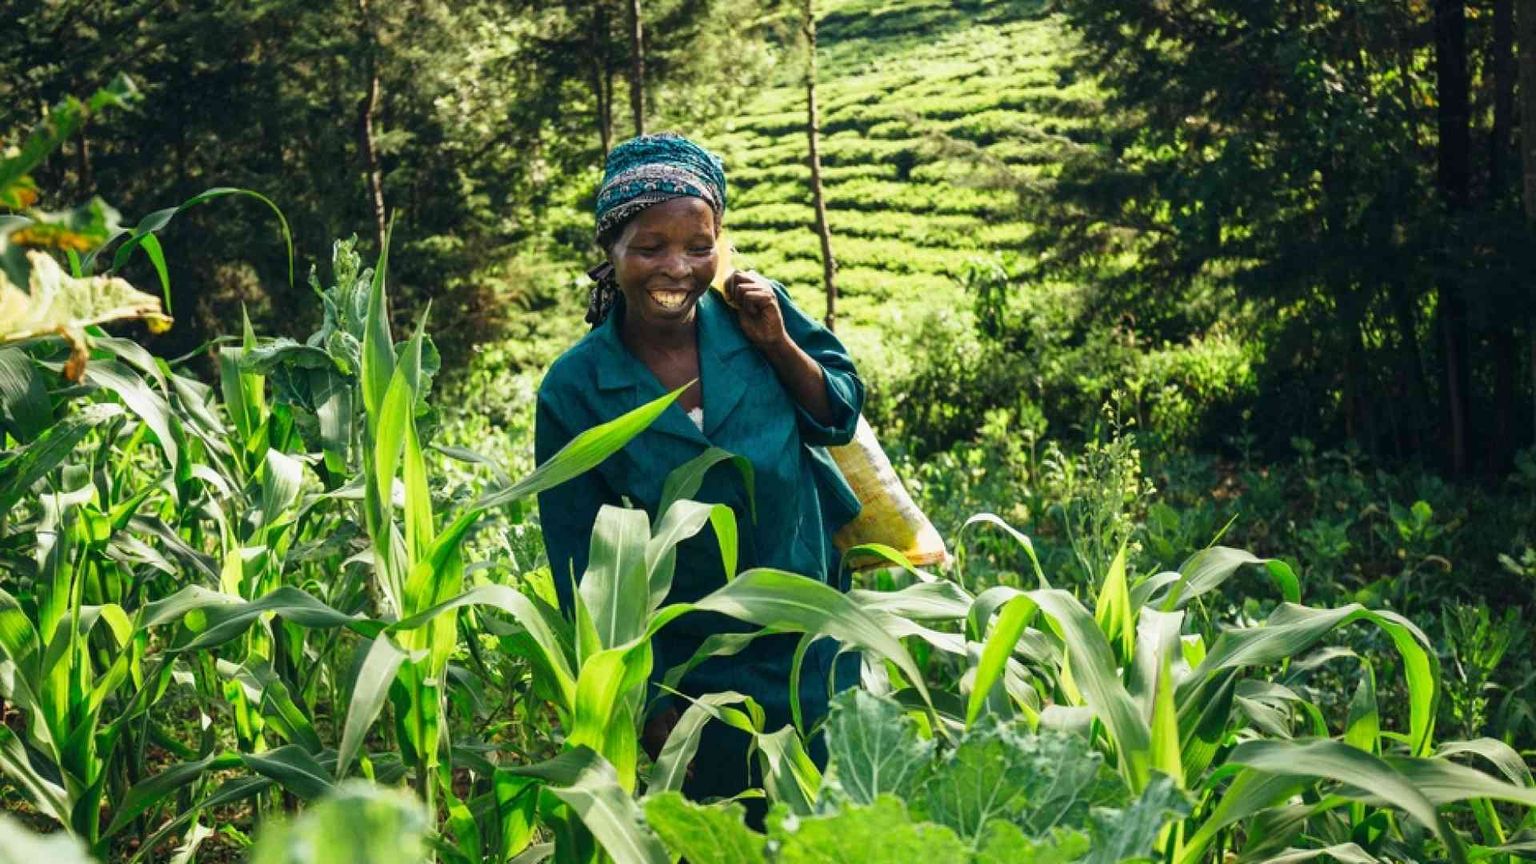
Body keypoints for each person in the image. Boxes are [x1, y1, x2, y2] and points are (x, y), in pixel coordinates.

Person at [533, 133, 864, 814]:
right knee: (729, 835)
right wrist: (645, 703)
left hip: (811, 636)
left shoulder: (753, 317)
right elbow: (579, 569)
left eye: (698, 245)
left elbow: (839, 413)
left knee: (837, 825)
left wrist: (777, 343)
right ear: (611, 251)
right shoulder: (576, 388)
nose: (677, 268)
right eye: (650, 247)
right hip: (694, 671)